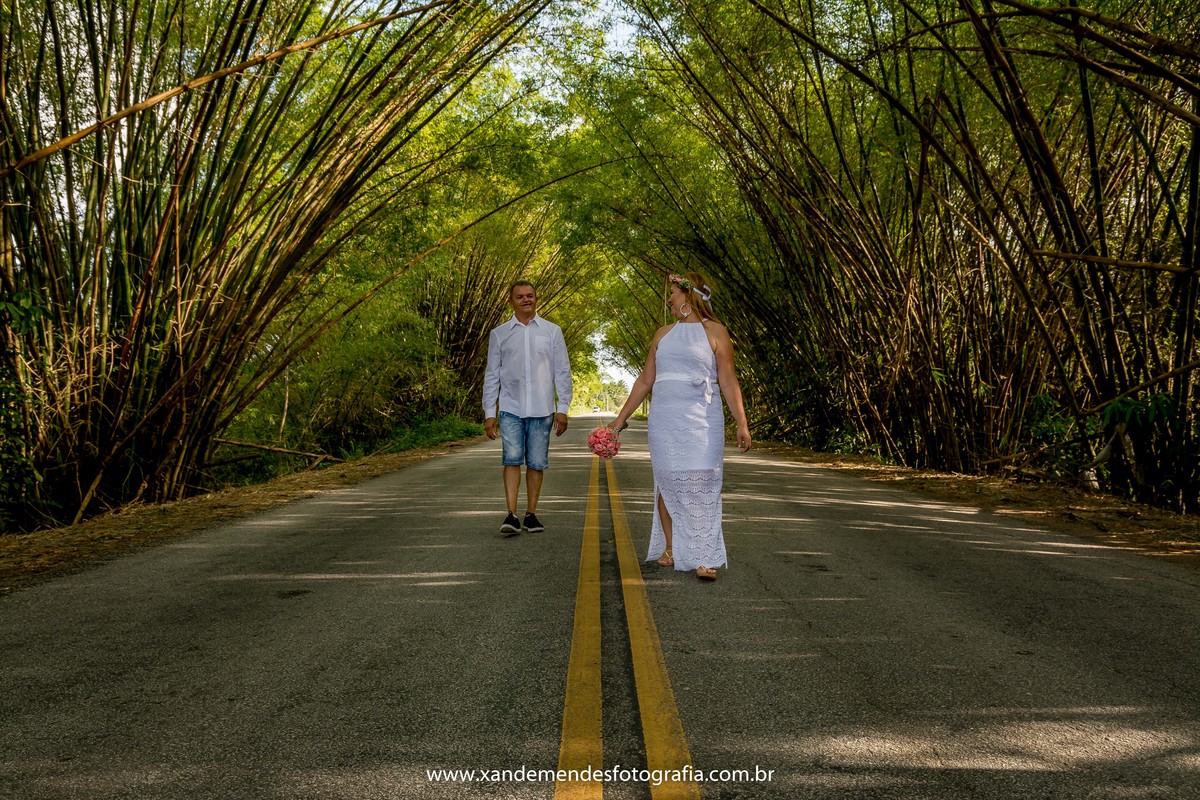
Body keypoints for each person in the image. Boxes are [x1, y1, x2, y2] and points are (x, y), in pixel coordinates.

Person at [608, 271, 751, 581]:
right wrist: (619, 421)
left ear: (689, 294)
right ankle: (672, 547)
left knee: (702, 480)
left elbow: (728, 379)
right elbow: (646, 379)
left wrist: (741, 422)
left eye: (672, 293)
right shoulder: (662, 334)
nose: (669, 299)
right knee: (668, 478)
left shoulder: (716, 332)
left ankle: (703, 556)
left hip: (703, 418)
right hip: (665, 418)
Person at [482, 280, 572, 535]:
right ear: (511, 301)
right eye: (520, 296)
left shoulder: (552, 331)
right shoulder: (499, 333)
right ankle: (511, 515)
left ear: (536, 298)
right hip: (510, 406)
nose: (526, 300)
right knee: (511, 459)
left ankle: (531, 515)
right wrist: (490, 412)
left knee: (536, 462)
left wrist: (563, 406)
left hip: (542, 407)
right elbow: (492, 375)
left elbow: (562, 370)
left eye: (530, 295)